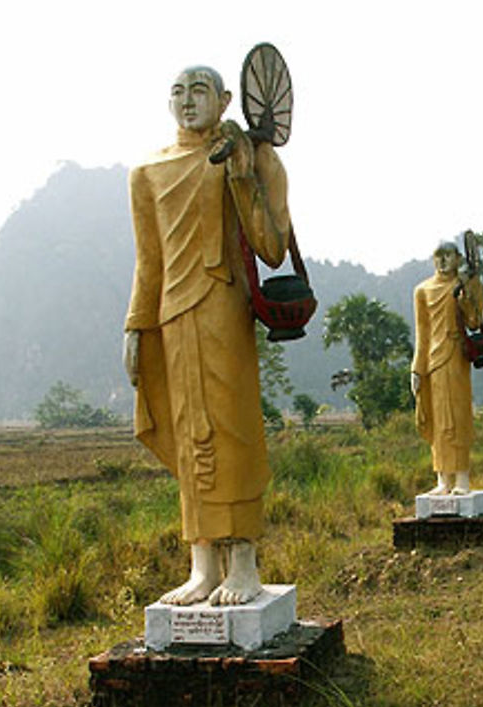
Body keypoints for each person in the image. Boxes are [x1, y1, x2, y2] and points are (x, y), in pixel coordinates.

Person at [123, 65, 290, 606]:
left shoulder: (248, 154)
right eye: (177, 90)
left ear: (223, 99)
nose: (187, 100)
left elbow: (271, 245)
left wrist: (244, 169)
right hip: (172, 314)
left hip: (224, 304)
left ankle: (242, 562)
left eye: (199, 90)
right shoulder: (147, 171)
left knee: (232, 426)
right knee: (189, 431)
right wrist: (135, 324)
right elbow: (148, 260)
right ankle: (202, 565)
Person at [411, 240, 483, 495]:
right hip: (432, 360)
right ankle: (442, 479)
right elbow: (422, 333)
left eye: (448, 256)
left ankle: (462, 478)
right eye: (438, 256)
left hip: (455, 357)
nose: (443, 261)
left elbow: (475, 322)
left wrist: (468, 294)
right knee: (437, 419)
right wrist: (416, 368)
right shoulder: (422, 290)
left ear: (458, 259)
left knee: (457, 415)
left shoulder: (464, 285)